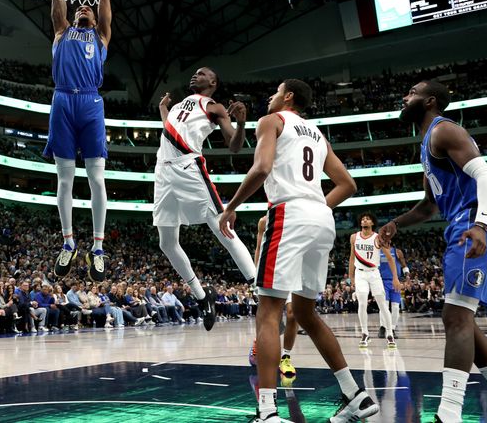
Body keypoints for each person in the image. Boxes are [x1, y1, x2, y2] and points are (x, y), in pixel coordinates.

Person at [377, 80, 487, 423]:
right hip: (461, 222)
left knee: (455, 318)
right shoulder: (426, 144)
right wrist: (396, 223)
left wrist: (481, 224)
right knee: (461, 318)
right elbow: (428, 207)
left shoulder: (445, 130)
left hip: (479, 222)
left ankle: (449, 414)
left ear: (431, 101)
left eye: (412, 92)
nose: (405, 96)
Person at [219, 79, 379, 423]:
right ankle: (355, 394)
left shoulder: (272, 121)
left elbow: (261, 168)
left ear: (287, 96)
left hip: (289, 213)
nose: (271, 97)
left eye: (275, 92)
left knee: (268, 312)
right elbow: (347, 184)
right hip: (321, 219)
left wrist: (230, 206)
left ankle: (266, 412)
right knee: (305, 313)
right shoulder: (317, 133)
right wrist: (315, 205)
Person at [153, 67, 254, 331]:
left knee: (223, 229)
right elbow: (169, 129)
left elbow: (234, 145)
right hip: (163, 171)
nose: (194, 75)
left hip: (188, 168)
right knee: (166, 243)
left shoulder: (214, 106)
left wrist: (242, 123)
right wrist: (163, 108)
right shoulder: (177, 107)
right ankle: (202, 296)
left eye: (201, 73)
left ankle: (259, 290)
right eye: (194, 73)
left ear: (213, 81)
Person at [48, 0, 112, 284]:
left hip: (90, 102)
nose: (83, 8)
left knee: (96, 179)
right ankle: (69, 242)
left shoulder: (101, 35)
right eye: (79, 8)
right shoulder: (62, 32)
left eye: (88, 8)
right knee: (65, 179)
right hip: (62, 101)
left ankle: (97, 249)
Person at [248, 215, 298, 381]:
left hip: (294, 271)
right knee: (272, 319)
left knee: (293, 314)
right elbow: (259, 249)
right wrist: (256, 276)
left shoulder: (297, 217)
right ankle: (258, 342)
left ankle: (285, 358)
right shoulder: (264, 221)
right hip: (272, 271)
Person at [349, 213, 400, 349]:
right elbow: (352, 258)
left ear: (372, 223)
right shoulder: (354, 237)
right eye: (363, 218)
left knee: (382, 305)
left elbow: (390, 258)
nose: (365, 220)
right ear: (360, 223)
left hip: (374, 273)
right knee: (362, 303)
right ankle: (365, 333)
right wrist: (351, 277)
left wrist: (395, 278)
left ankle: (389, 334)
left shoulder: (378, 238)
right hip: (360, 274)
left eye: (368, 218)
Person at [378, 241, 408, 338]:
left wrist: (407, 276)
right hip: (382, 281)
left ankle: (393, 328)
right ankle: (383, 327)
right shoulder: (377, 252)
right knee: (384, 306)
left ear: (390, 241)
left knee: (395, 307)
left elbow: (404, 265)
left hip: (395, 282)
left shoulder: (397, 252)